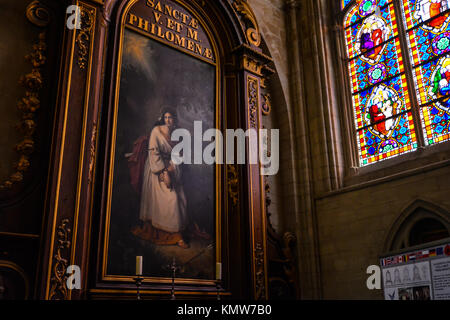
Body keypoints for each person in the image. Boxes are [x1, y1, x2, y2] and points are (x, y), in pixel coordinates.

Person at [131, 108, 189, 249]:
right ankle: (173, 236)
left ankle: (177, 235)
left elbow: (179, 154)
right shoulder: (156, 131)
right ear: (163, 118)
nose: (168, 120)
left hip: (171, 167)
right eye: (166, 117)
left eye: (171, 117)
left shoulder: (177, 133)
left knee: (180, 199)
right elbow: (154, 153)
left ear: (174, 119)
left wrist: (171, 169)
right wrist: (163, 172)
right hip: (155, 169)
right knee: (170, 199)